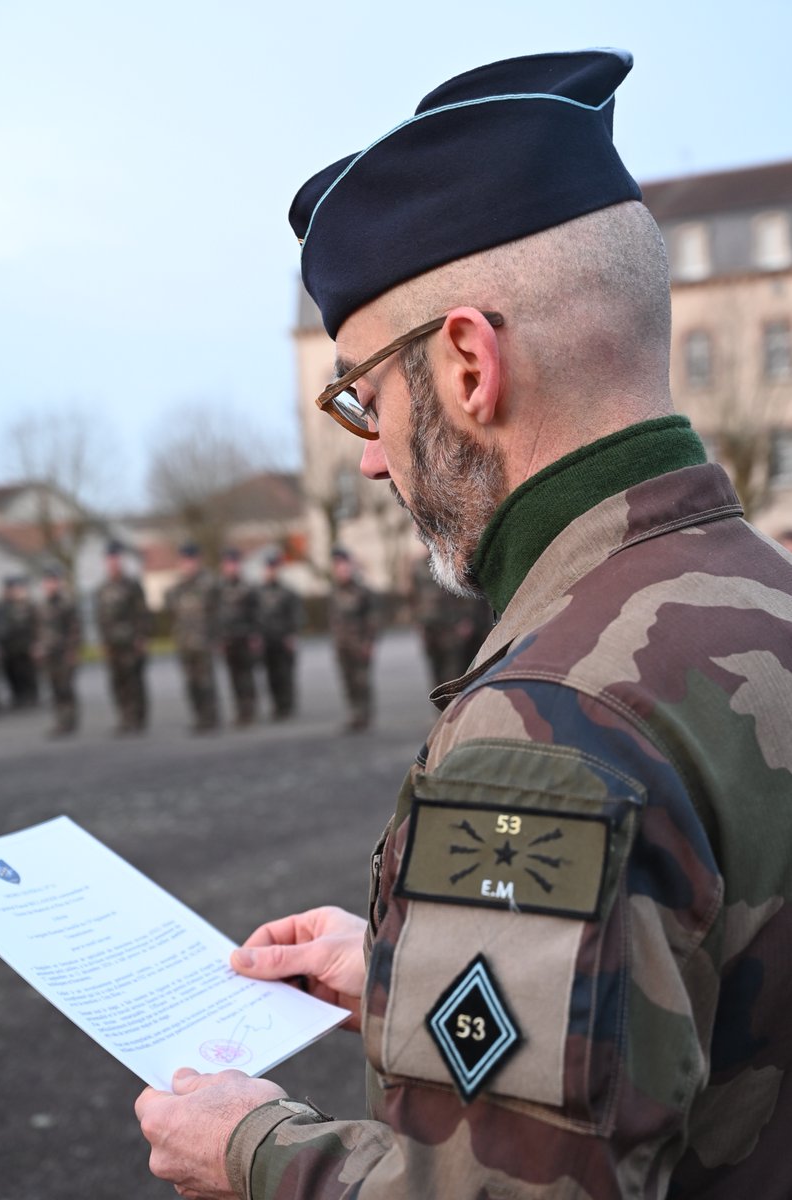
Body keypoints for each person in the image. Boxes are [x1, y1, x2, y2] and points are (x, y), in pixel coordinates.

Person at [135, 50, 792, 1198]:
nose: (376, 456)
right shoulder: (760, 592)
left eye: (364, 400)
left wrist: (255, 1153)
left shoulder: (549, 727)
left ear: (468, 364)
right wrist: (406, 975)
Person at [410, 552, 492, 688]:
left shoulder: (451, 558)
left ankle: (457, 706)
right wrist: (418, 622)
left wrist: (466, 619)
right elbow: (413, 597)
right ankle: (443, 708)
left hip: (450, 626)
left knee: (454, 672)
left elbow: (466, 592)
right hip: (429, 629)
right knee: (436, 672)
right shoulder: (418, 565)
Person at [95, 541, 151, 733]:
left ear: (122, 560)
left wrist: (141, 638)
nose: (113, 563)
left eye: (116, 558)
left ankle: (138, 718)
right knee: (117, 683)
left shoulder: (132, 585)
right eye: (109, 559)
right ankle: (124, 718)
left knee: (134, 681)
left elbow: (142, 613)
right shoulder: (102, 588)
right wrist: (102, 641)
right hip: (112, 644)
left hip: (130, 642)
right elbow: (100, 618)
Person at [166, 543, 221, 733]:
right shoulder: (177, 588)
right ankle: (199, 718)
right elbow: (172, 614)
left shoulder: (209, 584)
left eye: (191, 560)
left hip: (204, 642)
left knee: (206, 682)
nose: (187, 564)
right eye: (184, 560)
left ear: (198, 560)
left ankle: (211, 719)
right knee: (191, 683)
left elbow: (218, 613)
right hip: (185, 643)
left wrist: (217, 638)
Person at [328, 545, 377, 731]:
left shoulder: (362, 591)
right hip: (342, 645)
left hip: (359, 645)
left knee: (361, 680)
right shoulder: (334, 591)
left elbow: (373, 620)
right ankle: (354, 714)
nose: (341, 570)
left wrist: (369, 643)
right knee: (347, 681)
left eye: (344, 566)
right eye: (338, 566)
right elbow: (333, 619)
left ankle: (364, 715)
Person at [255, 550, 303, 720]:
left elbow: (296, 616)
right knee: (270, 675)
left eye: (273, 568)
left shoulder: (288, 592)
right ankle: (276, 705)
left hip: (283, 639)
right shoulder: (258, 593)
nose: (270, 571)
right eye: (268, 568)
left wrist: (292, 635)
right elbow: (254, 616)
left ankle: (287, 705)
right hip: (267, 640)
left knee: (285, 674)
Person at [35, 566, 80, 736]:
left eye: (53, 581)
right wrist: (38, 647)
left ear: (58, 583)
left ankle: (69, 721)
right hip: (48, 654)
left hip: (63, 653)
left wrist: (72, 651)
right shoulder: (41, 605)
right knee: (54, 688)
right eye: (47, 581)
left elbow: (74, 629)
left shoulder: (66, 604)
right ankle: (60, 721)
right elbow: (38, 629)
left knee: (65, 688)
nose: (49, 585)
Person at [218, 547, 259, 727]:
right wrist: (219, 637)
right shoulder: (219, 589)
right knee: (234, 677)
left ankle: (249, 710)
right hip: (228, 639)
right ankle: (240, 711)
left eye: (234, 563)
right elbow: (216, 615)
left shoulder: (248, 588)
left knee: (246, 676)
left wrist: (255, 635)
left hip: (245, 637)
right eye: (228, 563)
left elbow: (256, 614)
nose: (231, 567)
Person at [0, 575, 39, 708]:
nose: (11, 591)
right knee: (12, 673)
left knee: (27, 672)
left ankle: (31, 696)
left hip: (24, 644)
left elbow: (35, 625)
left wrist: (35, 642)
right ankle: (18, 696)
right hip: (8, 646)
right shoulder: (1, 606)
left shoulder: (27, 604)